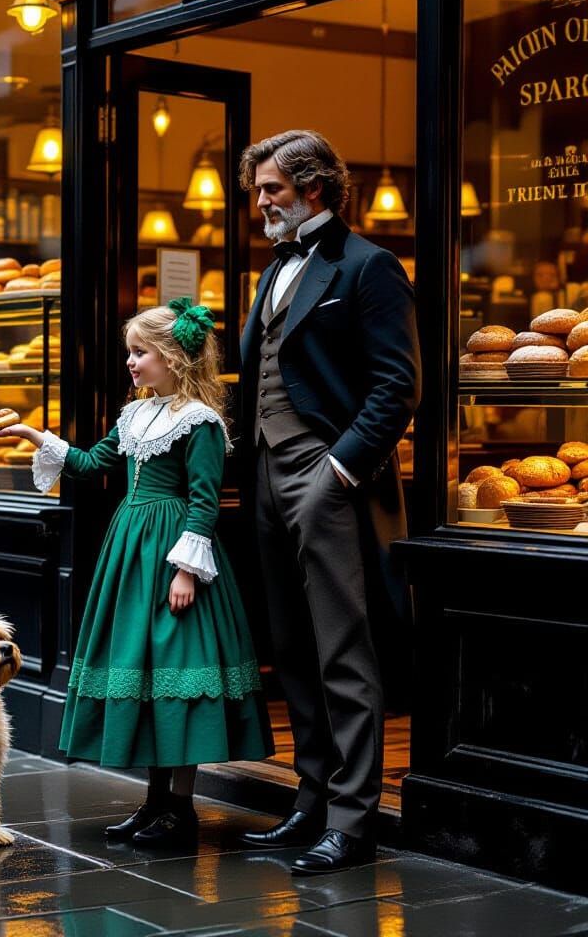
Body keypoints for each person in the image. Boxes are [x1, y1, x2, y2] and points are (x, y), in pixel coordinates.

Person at [1, 301, 272, 848]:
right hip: (129, 554)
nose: (130, 361)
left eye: (139, 351)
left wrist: (187, 571)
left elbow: (203, 501)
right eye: (131, 351)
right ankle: (153, 803)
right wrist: (34, 435)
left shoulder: (200, 423)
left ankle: (181, 807)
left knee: (177, 671)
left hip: (172, 552)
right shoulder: (135, 415)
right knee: (144, 674)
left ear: (173, 357)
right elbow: (90, 464)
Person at [236, 130, 420, 875]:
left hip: (328, 474)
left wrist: (339, 471)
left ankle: (353, 819)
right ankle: (310, 798)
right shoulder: (273, 271)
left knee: (344, 651)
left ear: (313, 187)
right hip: (265, 474)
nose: (261, 204)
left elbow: (396, 386)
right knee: (291, 648)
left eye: (271, 190)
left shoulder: (369, 266)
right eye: (258, 191)